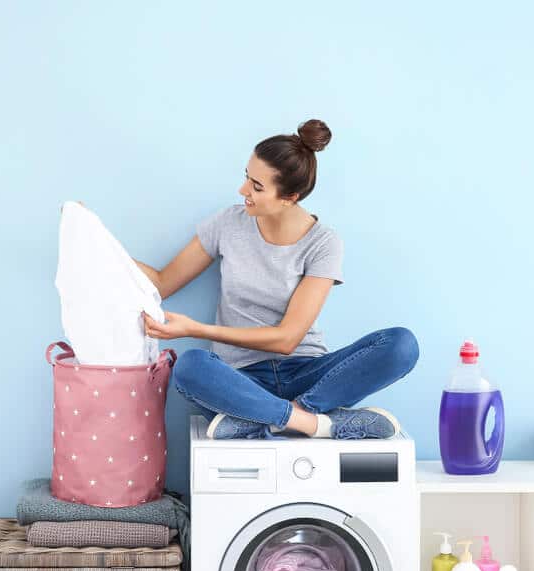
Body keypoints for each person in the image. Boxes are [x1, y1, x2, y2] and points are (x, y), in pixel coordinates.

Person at [134, 119, 418, 440]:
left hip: (307, 374)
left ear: (290, 197)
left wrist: (195, 329)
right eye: (246, 177)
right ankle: (315, 424)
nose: (244, 191)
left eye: (257, 187)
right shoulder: (228, 223)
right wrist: (97, 241)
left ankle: (267, 419)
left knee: (401, 344)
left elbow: (287, 340)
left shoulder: (323, 243)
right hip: (240, 380)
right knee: (190, 367)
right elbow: (161, 282)